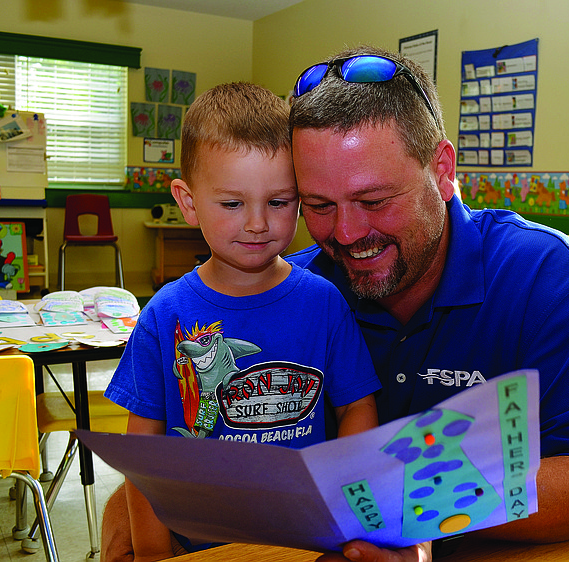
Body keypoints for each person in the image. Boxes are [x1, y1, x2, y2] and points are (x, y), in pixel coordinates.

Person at [286, 45, 569, 562]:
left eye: (374, 201)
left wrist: (416, 515)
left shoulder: (545, 278)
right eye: (318, 206)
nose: (345, 234)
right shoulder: (294, 291)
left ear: (443, 170)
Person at [102, 82, 381, 562]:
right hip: (199, 547)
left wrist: (345, 504)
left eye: (279, 202)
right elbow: (142, 454)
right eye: (232, 204)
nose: (258, 223)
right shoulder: (164, 315)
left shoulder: (325, 303)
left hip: (305, 543)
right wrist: (151, 552)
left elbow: (356, 408)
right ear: (188, 202)